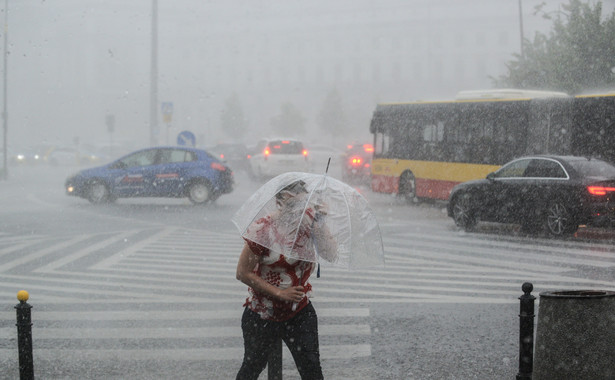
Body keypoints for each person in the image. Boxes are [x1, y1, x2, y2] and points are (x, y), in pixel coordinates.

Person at [235, 180, 336, 380]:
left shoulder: (310, 222)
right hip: (262, 312)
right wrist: (280, 293)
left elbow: (330, 254)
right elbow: (242, 272)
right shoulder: (263, 229)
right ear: (280, 200)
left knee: (312, 371)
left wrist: (321, 222)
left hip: (299, 311)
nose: (298, 210)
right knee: (252, 368)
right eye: (292, 203)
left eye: (302, 202)